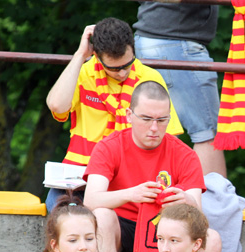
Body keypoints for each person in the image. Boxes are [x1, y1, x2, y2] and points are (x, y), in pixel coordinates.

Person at [83, 80, 222, 252]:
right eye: (146, 119)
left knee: (212, 239)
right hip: (121, 233)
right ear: (129, 115)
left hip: (165, 233)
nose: (154, 128)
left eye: (162, 120)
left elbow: (198, 215)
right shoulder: (109, 146)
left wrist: (186, 201)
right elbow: (90, 200)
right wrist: (132, 194)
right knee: (101, 216)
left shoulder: (185, 154)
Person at [45, 17, 183, 211]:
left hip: (130, 179)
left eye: (127, 64)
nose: (122, 73)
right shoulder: (83, 73)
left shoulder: (150, 78)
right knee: (60, 209)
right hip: (81, 177)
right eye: (114, 68)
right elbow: (57, 105)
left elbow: (169, 136)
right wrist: (80, 55)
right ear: (96, 56)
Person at [133, 0, 245, 178]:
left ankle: (160, 193)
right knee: (206, 133)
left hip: (150, 39)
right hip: (176, 42)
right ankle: (213, 195)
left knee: (158, 129)